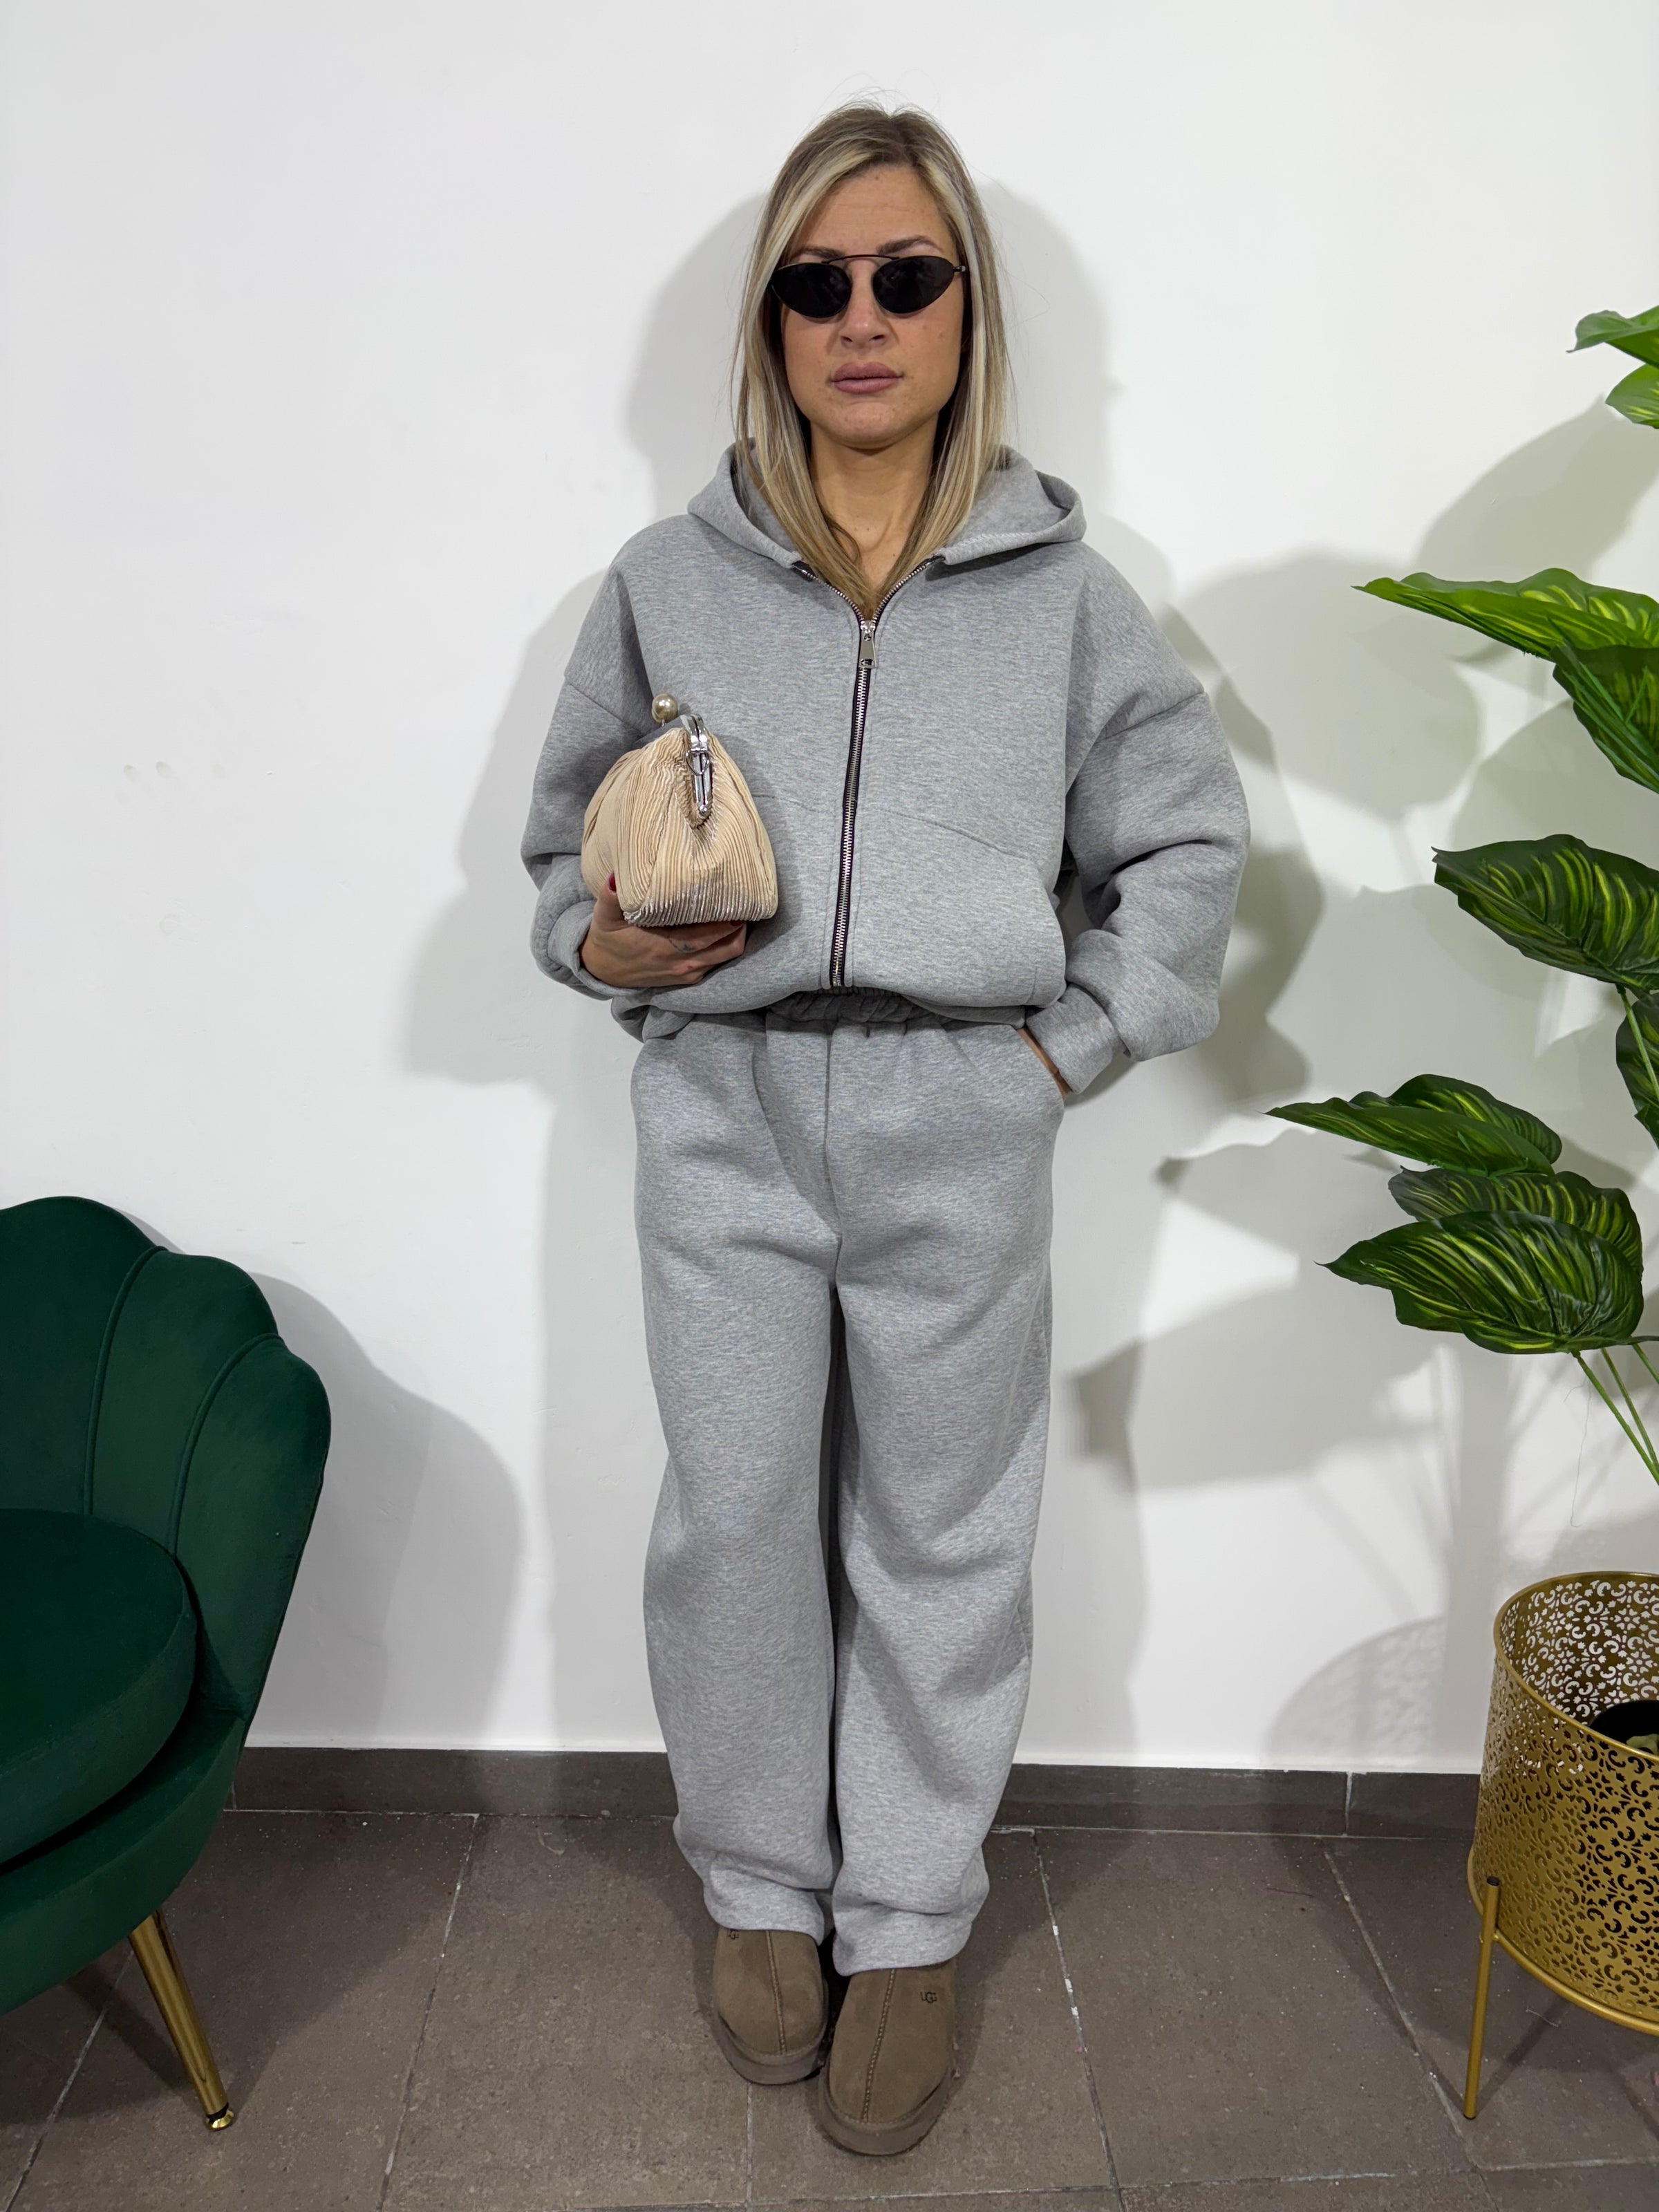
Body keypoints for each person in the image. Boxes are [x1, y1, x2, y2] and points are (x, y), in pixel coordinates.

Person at [522, 102, 1248, 2156]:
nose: (863, 318)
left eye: (906, 277)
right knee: (738, 1517)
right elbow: (555, 857)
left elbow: (1187, 843)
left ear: (964, 312)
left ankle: (911, 1920)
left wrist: (1064, 1054)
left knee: (946, 1530)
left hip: (961, 1113)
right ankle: (764, 1889)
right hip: (726, 1111)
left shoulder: (1066, 596)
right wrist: (604, 949)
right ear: (771, 321)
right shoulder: (665, 583)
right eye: (817, 283)